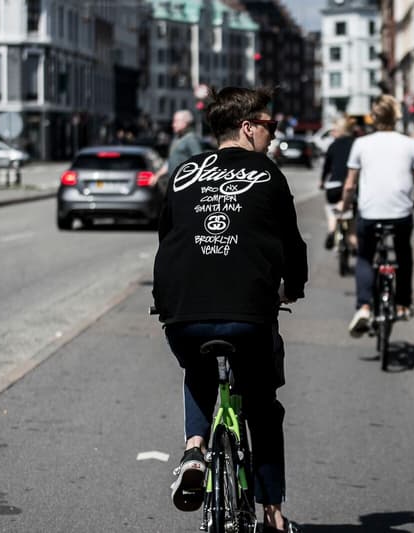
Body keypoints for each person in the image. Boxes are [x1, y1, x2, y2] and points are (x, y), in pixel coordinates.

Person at [152, 86, 308, 533]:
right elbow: (291, 246)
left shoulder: (183, 173)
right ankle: (273, 515)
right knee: (261, 404)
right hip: (248, 314)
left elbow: (168, 237)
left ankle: (195, 450)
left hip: (181, 312)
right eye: (269, 126)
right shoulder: (268, 173)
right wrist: (292, 288)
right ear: (247, 127)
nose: (272, 136)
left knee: (198, 369)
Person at [339, 94, 414, 336]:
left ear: (374, 117)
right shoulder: (411, 145)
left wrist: (344, 206)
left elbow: (349, 184)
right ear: (397, 117)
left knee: (366, 257)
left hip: (369, 213)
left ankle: (364, 306)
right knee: (403, 254)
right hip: (400, 213)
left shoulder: (361, 144)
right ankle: (402, 304)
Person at [320, 117, 356, 249]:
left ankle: (331, 230)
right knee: (352, 214)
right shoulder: (356, 144)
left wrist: (322, 182)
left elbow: (326, 168)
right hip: (352, 186)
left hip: (333, 186)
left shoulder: (332, 146)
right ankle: (353, 242)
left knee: (331, 209)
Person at [157, 109, 204, 188]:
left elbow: (199, 162)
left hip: (185, 185)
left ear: (185, 123)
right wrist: (157, 175)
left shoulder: (191, 139)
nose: (173, 125)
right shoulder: (176, 138)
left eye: (176, 121)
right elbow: (170, 160)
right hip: (174, 183)